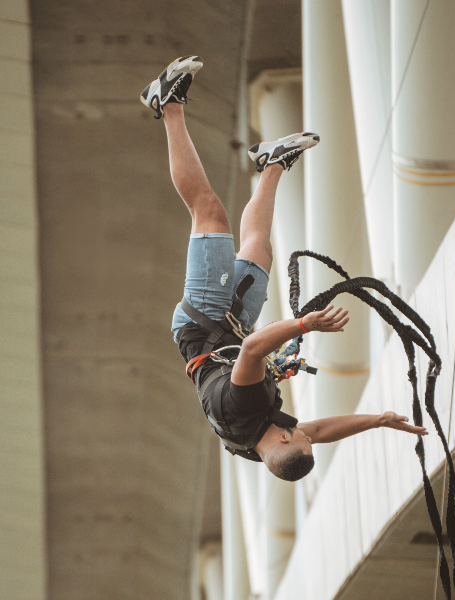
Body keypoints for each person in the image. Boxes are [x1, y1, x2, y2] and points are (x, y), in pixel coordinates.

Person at [141, 56, 427, 482]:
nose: (302, 430)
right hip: (232, 327)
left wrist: (304, 324)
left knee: (210, 214)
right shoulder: (261, 445)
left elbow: (255, 350)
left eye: (298, 436)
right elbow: (323, 431)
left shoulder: (244, 409)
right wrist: (378, 420)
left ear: (283, 442)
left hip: (203, 319)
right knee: (261, 250)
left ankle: (166, 104)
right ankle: (272, 162)